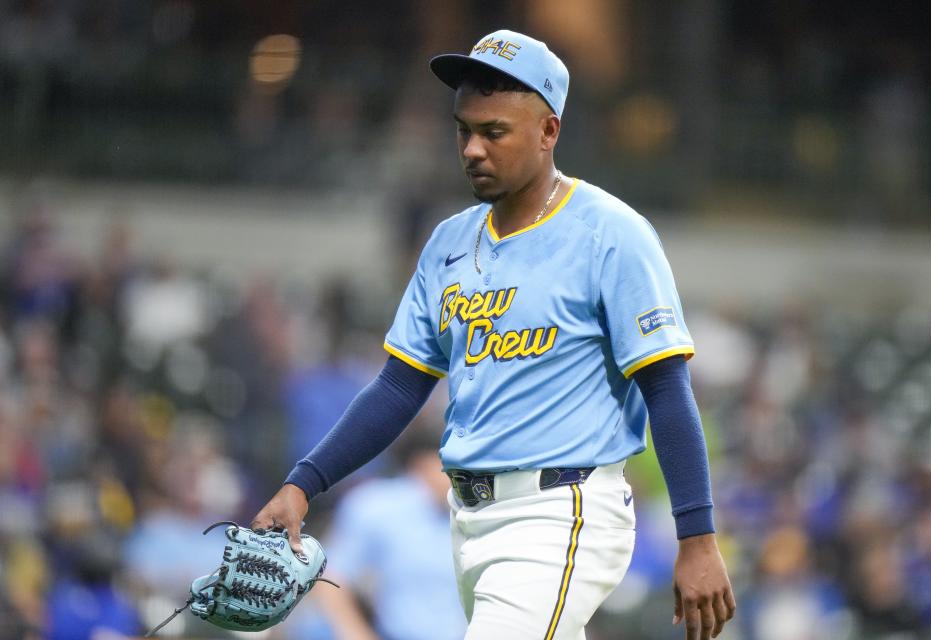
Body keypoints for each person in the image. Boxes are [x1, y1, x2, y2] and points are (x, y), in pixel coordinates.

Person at [254, 29, 735, 640]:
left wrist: (697, 538)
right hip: (469, 519)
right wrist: (305, 482)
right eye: (464, 129)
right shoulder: (448, 242)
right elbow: (399, 389)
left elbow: (666, 389)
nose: (473, 148)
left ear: (548, 131)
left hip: (562, 509)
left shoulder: (611, 234)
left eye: (494, 132)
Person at [311, 428, 467, 640]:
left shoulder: (482, 511)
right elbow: (330, 579)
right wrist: (357, 634)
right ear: (423, 464)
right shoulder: (376, 505)